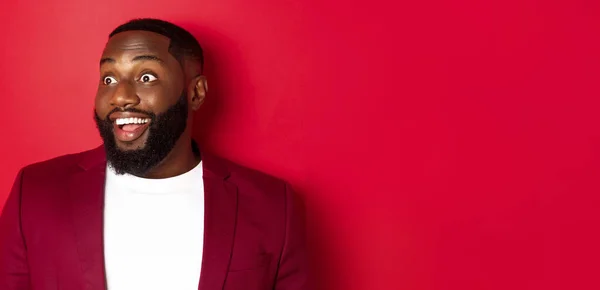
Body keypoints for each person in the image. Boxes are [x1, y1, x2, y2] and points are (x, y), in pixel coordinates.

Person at [0, 18, 309, 290]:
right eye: (108, 79)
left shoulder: (271, 206)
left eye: (146, 77)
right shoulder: (36, 191)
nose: (120, 96)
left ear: (196, 93)